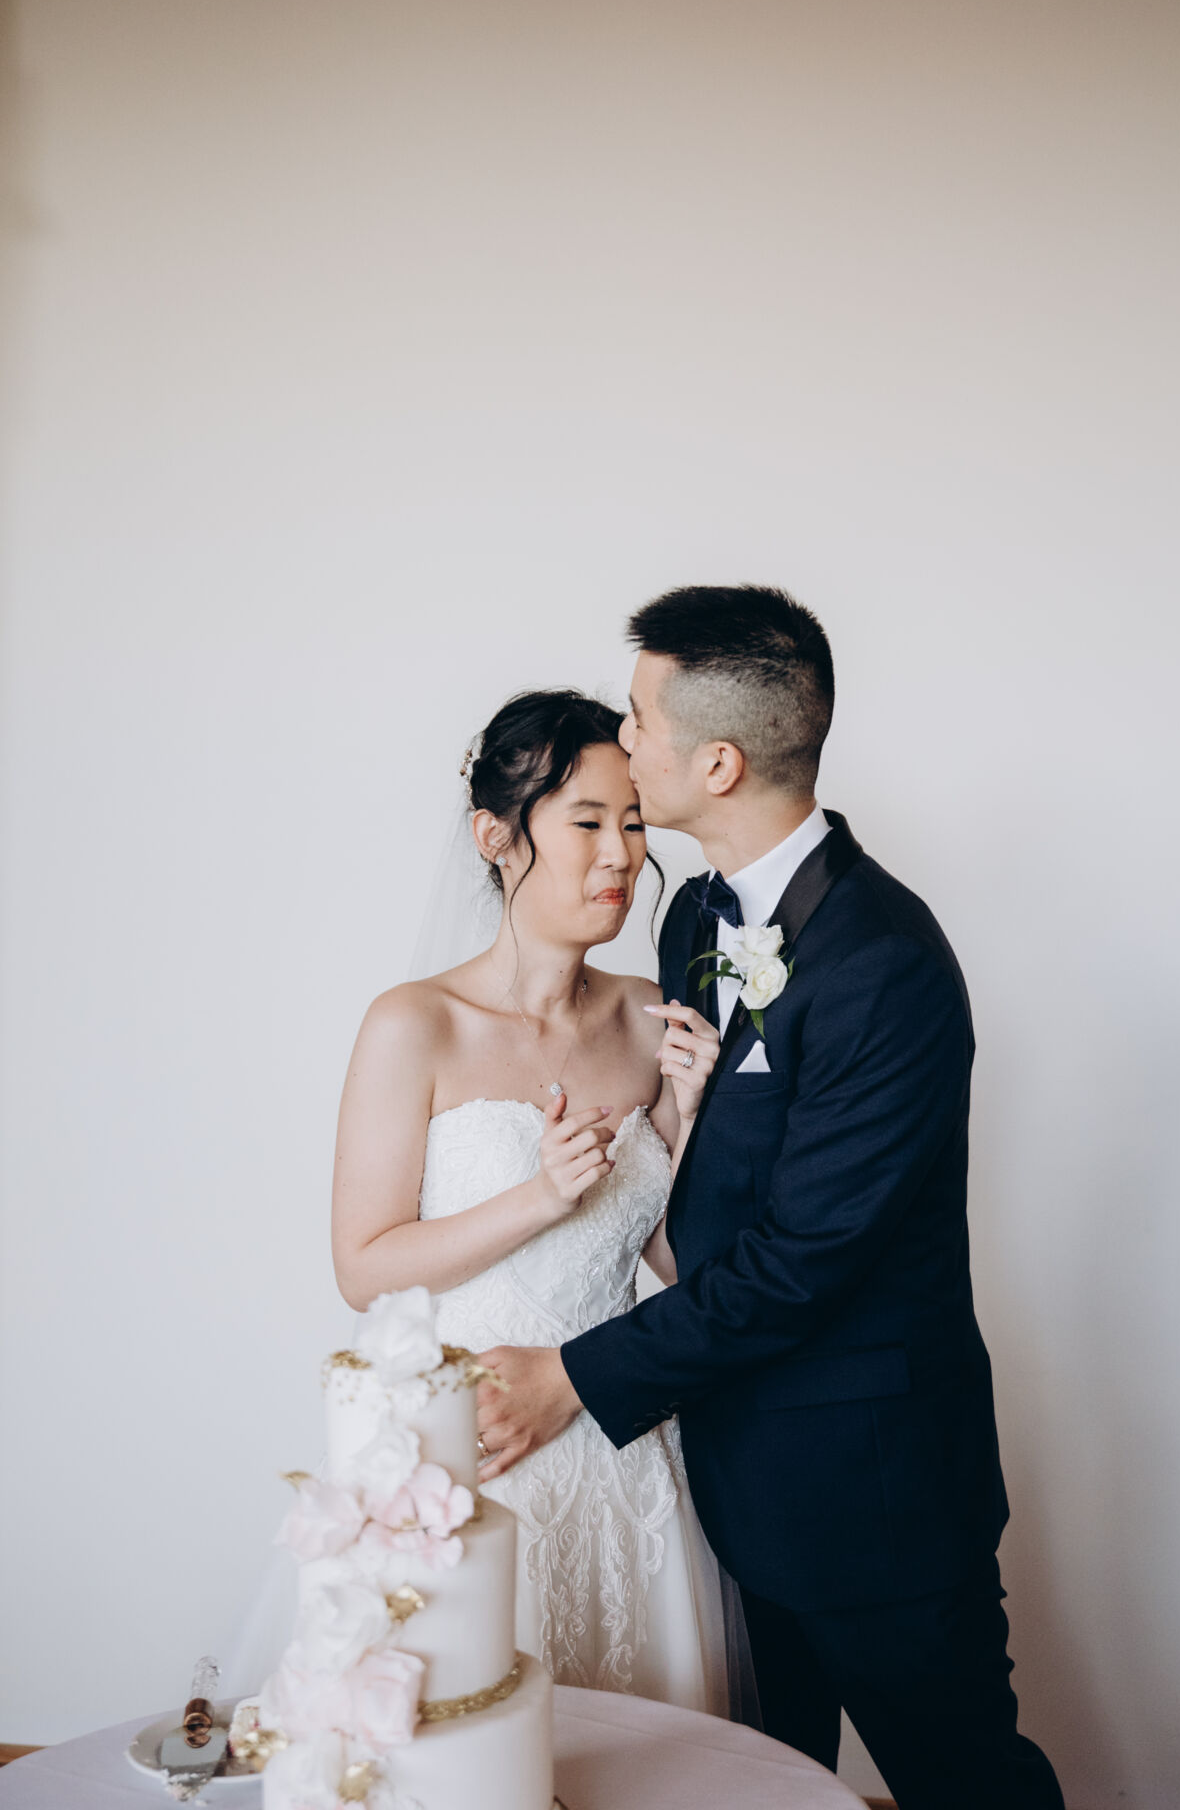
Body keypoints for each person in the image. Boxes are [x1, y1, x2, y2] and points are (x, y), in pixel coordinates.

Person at [473, 585, 1065, 1809]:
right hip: (725, 1479)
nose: (623, 739)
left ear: (718, 764)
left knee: (967, 1785)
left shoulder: (884, 963)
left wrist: (572, 1374)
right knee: (759, 1787)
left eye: (639, 719)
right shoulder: (693, 918)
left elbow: (802, 1259)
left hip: (872, 1490)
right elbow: (705, 1179)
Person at [327, 687, 741, 1714]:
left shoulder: (650, 1017)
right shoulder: (414, 1025)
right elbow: (362, 1266)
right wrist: (537, 1197)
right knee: (478, 1733)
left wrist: (692, 1119)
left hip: (621, 1443)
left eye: (633, 824)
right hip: (479, 1447)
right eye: (586, 823)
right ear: (495, 837)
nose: (620, 856)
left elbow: (672, 1263)